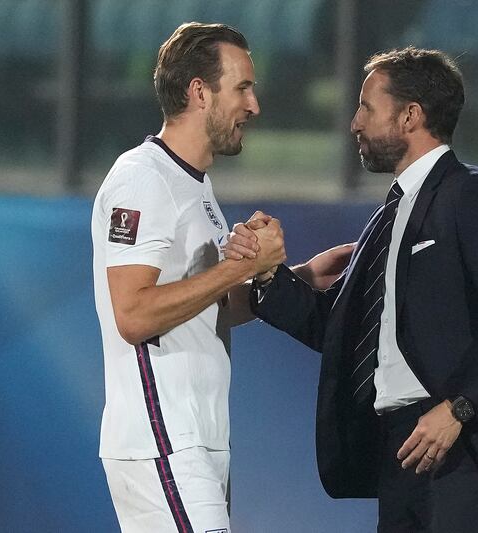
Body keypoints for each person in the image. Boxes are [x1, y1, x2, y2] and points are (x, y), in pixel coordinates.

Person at [228, 47, 478, 532]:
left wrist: (459, 408)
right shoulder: (389, 216)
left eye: (366, 108)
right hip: (399, 447)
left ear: (410, 116)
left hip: (460, 445)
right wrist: (268, 274)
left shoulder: (473, 195)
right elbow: (339, 332)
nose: (354, 123)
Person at [91, 22, 349, 533]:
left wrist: (293, 275)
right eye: (243, 87)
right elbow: (134, 315)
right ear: (199, 92)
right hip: (161, 438)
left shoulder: (195, 186)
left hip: (197, 438)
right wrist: (239, 266)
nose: (254, 106)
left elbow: (207, 310)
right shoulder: (142, 178)